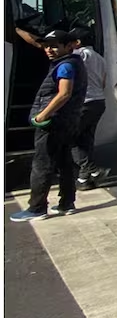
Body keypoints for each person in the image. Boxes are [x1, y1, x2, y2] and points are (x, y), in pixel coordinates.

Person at [10, 30, 87, 221]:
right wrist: (17, 29)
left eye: (54, 46)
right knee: (64, 162)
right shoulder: (72, 62)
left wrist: (42, 115)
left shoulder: (65, 66)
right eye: (46, 46)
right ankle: (66, 203)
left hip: (53, 122)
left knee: (42, 164)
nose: (49, 50)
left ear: (68, 46)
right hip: (68, 120)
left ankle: (37, 208)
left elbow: (64, 93)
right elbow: (36, 43)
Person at [69, 28, 109, 190]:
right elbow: (103, 82)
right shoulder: (100, 58)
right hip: (98, 102)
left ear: (77, 42)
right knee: (85, 140)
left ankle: (93, 169)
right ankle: (84, 179)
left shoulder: (79, 55)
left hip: (83, 103)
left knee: (70, 138)